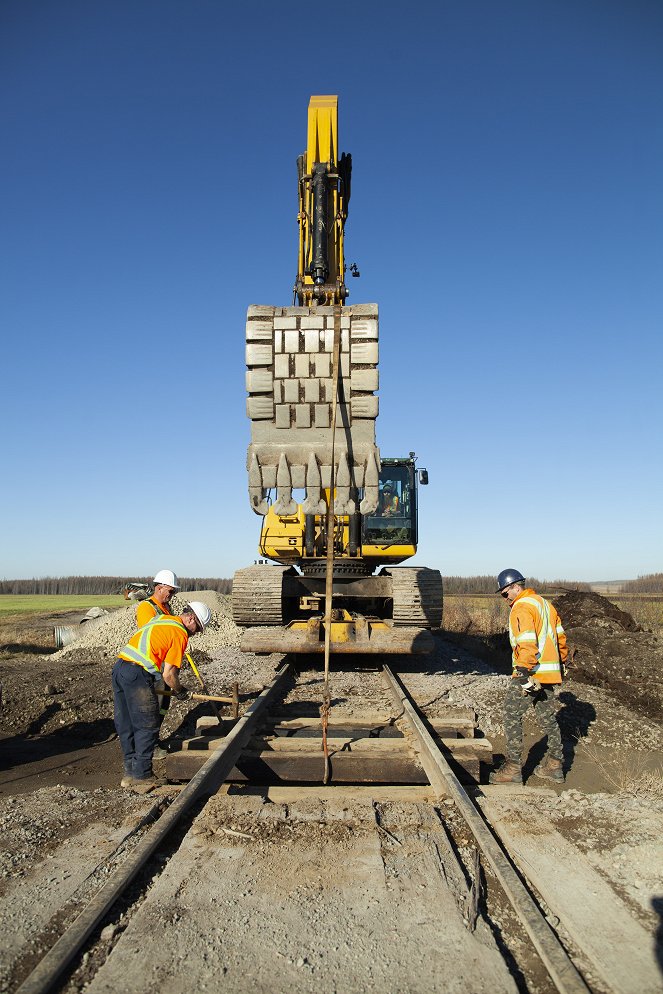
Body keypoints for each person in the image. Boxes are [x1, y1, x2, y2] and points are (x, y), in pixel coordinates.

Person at [112, 600, 212, 791]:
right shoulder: (179, 633)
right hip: (136, 673)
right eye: (197, 628)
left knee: (126, 724)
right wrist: (180, 691)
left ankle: (130, 773)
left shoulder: (163, 619)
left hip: (120, 669)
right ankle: (142, 775)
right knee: (147, 724)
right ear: (190, 618)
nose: (196, 633)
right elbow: (169, 675)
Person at [489, 569, 568, 785]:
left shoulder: (521, 607)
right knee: (548, 718)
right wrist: (561, 662)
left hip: (531, 672)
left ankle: (513, 768)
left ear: (516, 586)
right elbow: (560, 638)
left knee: (511, 715)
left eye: (506, 593)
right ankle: (555, 765)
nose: (505, 599)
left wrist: (523, 671)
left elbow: (527, 641)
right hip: (550, 673)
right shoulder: (545, 605)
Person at [135, 569, 181, 755]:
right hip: (153, 665)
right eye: (169, 591)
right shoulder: (147, 607)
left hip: (165, 664)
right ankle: (149, 746)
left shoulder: (165, 608)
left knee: (163, 706)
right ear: (159, 587)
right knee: (152, 705)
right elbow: (152, 635)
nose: (171, 596)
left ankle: (154, 739)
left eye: (173, 592)